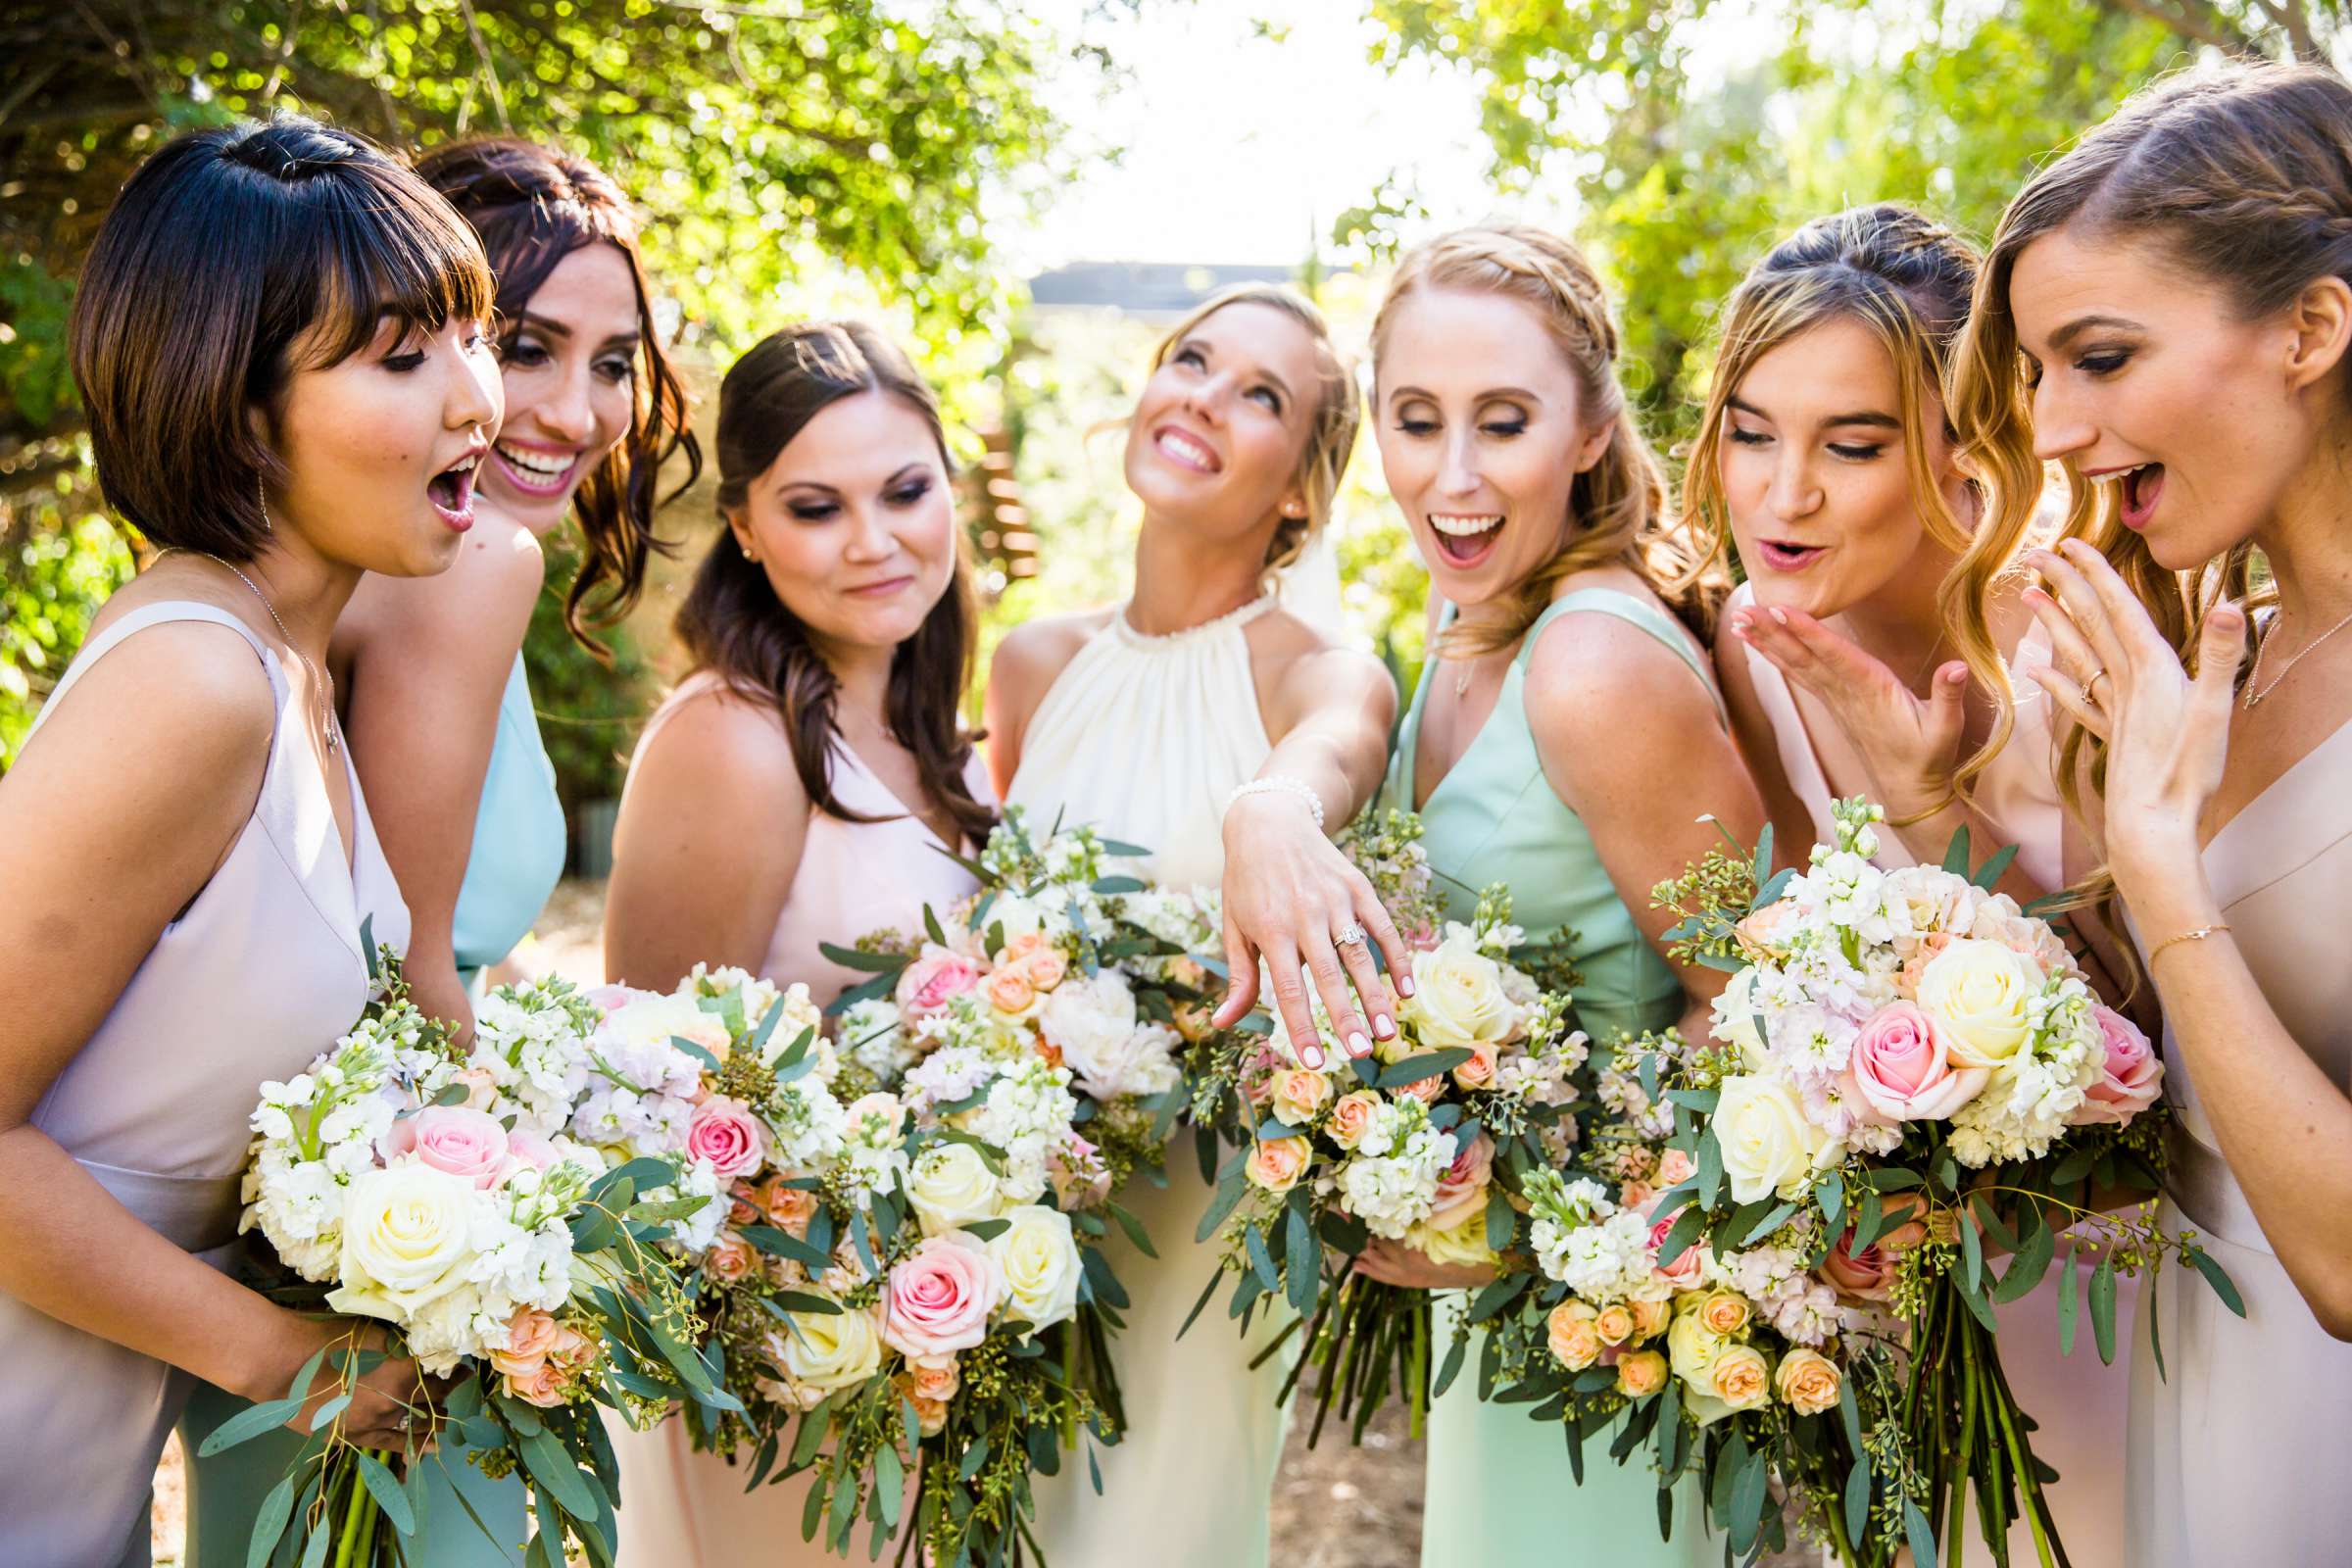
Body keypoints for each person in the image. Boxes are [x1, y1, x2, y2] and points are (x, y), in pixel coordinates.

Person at [178, 135, 697, 1568]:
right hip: (381, 1265)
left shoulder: (388, 567)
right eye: (519, 344)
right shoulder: (463, 576)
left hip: (348, 1230)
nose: (573, 409)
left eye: (614, 362)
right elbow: (401, 995)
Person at [0, 116, 498, 1567]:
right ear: (234, 407)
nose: (478, 398)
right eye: (404, 358)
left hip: (87, 1419)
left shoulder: (301, 673)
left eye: (473, 335)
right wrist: (291, 1363)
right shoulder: (194, 682)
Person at [1948, 62, 2352, 1565]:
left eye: (2099, 358)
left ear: (2310, 329)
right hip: (2192, 1382)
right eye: (2040, 375)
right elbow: (2181, 1059)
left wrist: (2157, 862)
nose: (2050, 432)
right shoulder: (2219, 655)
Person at [1686, 203, 2131, 1561]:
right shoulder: (1756, 647)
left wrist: (1933, 806)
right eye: (1751, 432)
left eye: (1853, 445)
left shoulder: (2079, 640)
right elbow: (1781, 971)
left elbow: (2145, 1029)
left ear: (1966, 450)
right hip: (1913, 1297)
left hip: (2131, 1269)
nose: (1781, 493)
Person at [1352, 224, 1764, 1567]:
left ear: (1591, 430)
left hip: (1607, 1337)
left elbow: (1763, 1012)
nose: (1453, 476)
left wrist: (1534, 1226)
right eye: (1417, 421)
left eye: (1505, 422)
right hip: (1502, 1323)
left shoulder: (1591, 663)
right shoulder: (1472, 617)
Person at [984, 283, 1402, 1567]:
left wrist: (1273, 809)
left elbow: (1341, 744)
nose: (1205, 398)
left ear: (1301, 496)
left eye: (1261, 396)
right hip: (1014, 1216)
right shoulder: (1031, 663)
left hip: (1200, 1239)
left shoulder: (1312, 670)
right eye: (1193, 361)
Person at [601, 319, 995, 1561]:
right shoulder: (735, 736)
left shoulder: (942, 740)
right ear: (747, 525)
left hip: (920, 1336)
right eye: (818, 507)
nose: (876, 542)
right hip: (778, 1359)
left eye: (906, 490)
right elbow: (650, 1099)